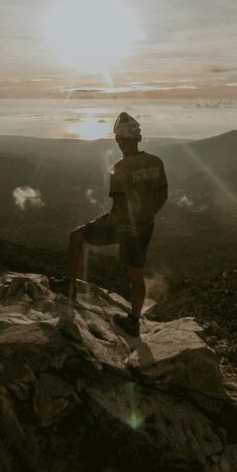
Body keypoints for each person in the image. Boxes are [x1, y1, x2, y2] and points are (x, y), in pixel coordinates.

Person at [64, 112, 168, 335]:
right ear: (138, 138)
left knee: (76, 237)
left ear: (118, 140)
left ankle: (69, 288)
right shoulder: (156, 162)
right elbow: (162, 195)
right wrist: (148, 214)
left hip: (124, 227)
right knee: (136, 274)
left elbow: (119, 209)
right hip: (146, 225)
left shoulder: (120, 168)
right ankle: (134, 319)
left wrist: (102, 222)